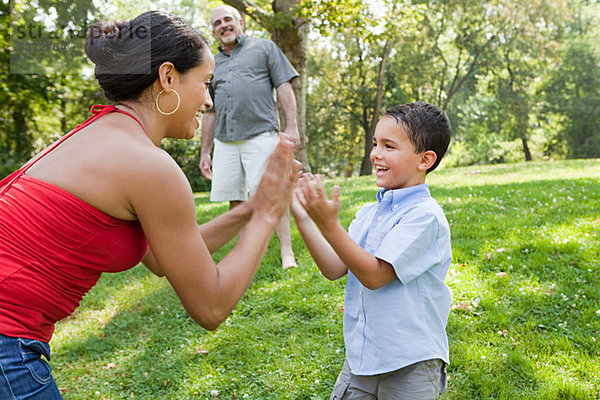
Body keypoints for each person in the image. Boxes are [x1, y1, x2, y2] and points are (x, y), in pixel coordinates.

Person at [0, 11, 299, 399]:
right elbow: (210, 306)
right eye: (206, 83)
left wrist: (249, 208)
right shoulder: (149, 166)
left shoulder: (103, 132)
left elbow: (163, 259)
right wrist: (267, 215)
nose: (208, 101)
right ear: (168, 77)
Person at [291, 102, 452, 399]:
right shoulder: (369, 212)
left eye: (389, 146)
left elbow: (375, 276)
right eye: (375, 143)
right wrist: (302, 215)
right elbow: (334, 268)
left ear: (425, 160)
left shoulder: (424, 216)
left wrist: (329, 225)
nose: (376, 153)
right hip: (362, 359)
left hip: (411, 365)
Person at [199, 4, 299, 269]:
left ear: (240, 22)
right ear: (213, 30)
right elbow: (209, 111)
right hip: (225, 139)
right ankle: (245, 257)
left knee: (271, 193)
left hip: (261, 134)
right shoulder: (211, 62)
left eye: (228, 19)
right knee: (235, 198)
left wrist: (292, 127)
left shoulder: (264, 48)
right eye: (217, 23)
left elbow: (284, 85)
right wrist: (205, 151)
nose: (224, 25)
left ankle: (287, 253)